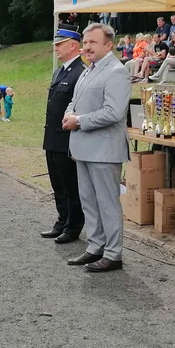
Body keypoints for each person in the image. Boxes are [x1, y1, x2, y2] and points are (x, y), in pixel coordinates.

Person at [62, 22, 131, 273]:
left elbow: (114, 112)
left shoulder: (116, 71)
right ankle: (95, 245)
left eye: (93, 42)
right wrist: (70, 114)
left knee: (107, 202)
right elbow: (74, 101)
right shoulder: (88, 70)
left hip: (104, 149)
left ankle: (113, 253)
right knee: (89, 201)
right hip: (84, 147)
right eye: (86, 41)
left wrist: (78, 121)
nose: (87, 46)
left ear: (109, 45)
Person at [42, 25, 87, 244]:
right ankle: (62, 220)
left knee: (70, 186)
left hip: (68, 140)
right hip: (53, 137)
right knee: (57, 184)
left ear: (73, 45)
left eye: (59, 44)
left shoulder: (81, 72)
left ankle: (73, 226)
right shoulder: (60, 71)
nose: (55, 49)